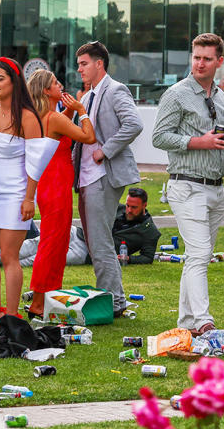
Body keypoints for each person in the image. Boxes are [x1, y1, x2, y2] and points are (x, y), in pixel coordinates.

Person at [153, 33, 224, 335]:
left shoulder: (220, 96)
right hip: (186, 184)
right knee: (201, 254)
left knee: (196, 256)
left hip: (216, 186)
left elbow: (214, 137)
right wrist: (198, 142)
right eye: (196, 57)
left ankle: (187, 324)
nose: (200, 63)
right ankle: (205, 321)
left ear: (219, 61)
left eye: (206, 58)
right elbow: (159, 137)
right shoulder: (176, 94)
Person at [0, 57, 47, 332]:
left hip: (17, 192)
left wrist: (29, 198)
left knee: (9, 255)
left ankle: (12, 316)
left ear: (14, 81)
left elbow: (35, 161)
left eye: (0, 79)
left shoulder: (28, 117)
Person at [75, 41, 144, 316]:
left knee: (99, 239)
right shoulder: (86, 96)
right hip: (86, 177)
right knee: (95, 240)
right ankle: (114, 298)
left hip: (104, 174)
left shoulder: (115, 90)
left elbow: (134, 124)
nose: (79, 68)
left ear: (99, 64)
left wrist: (106, 150)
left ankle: (113, 302)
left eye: (83, 63)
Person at [24, 69, 96, 318]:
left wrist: (71, 109)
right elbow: (88, 136)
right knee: (53, 244)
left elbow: (60, 128)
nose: (61, 84)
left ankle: (46, 296)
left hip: (49, 184)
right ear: (46, 90)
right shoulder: (53, 118)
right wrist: (82, 111)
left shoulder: (43, 115)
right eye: (55, 83)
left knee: (54, 242)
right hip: (56, 185)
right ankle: (39, 300)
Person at [111, 187, 161, 265]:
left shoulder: (150, 231)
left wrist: (128, 259)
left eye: (134, 207)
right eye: (127, 205)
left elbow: (147, 257)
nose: (129, 210)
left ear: (144, 205)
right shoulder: (117, 209)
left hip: (94, 253)